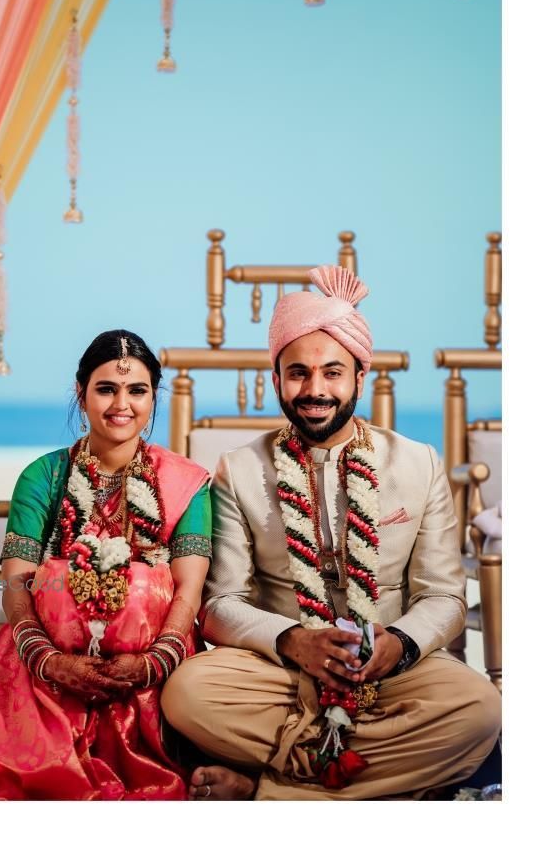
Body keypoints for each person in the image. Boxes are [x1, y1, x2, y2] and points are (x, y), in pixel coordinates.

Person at [161, 265, 502, 800]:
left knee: (479, 709)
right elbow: (221, 602)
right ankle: (372, 788)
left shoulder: (418, 464)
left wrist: (402, 645)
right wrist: (296, 642)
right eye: (297, 373)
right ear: (276, 379)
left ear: (359, 378)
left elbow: (443, 595)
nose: (314, 389)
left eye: (332, 373)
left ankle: (269, 791)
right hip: (280, 669)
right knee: (186, 692)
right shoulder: (239, 469)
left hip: (389, 672)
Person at [0, 330, 212, 800]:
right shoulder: (43, 476)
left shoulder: (186, 482)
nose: (122, 404)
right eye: (106, 389)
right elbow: (17, 582)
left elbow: (189, 587)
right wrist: (50, 661)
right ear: (81, 395)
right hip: (43, 667)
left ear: (153, 398)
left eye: (137, 390)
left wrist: (153, 661)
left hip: (152, 671)